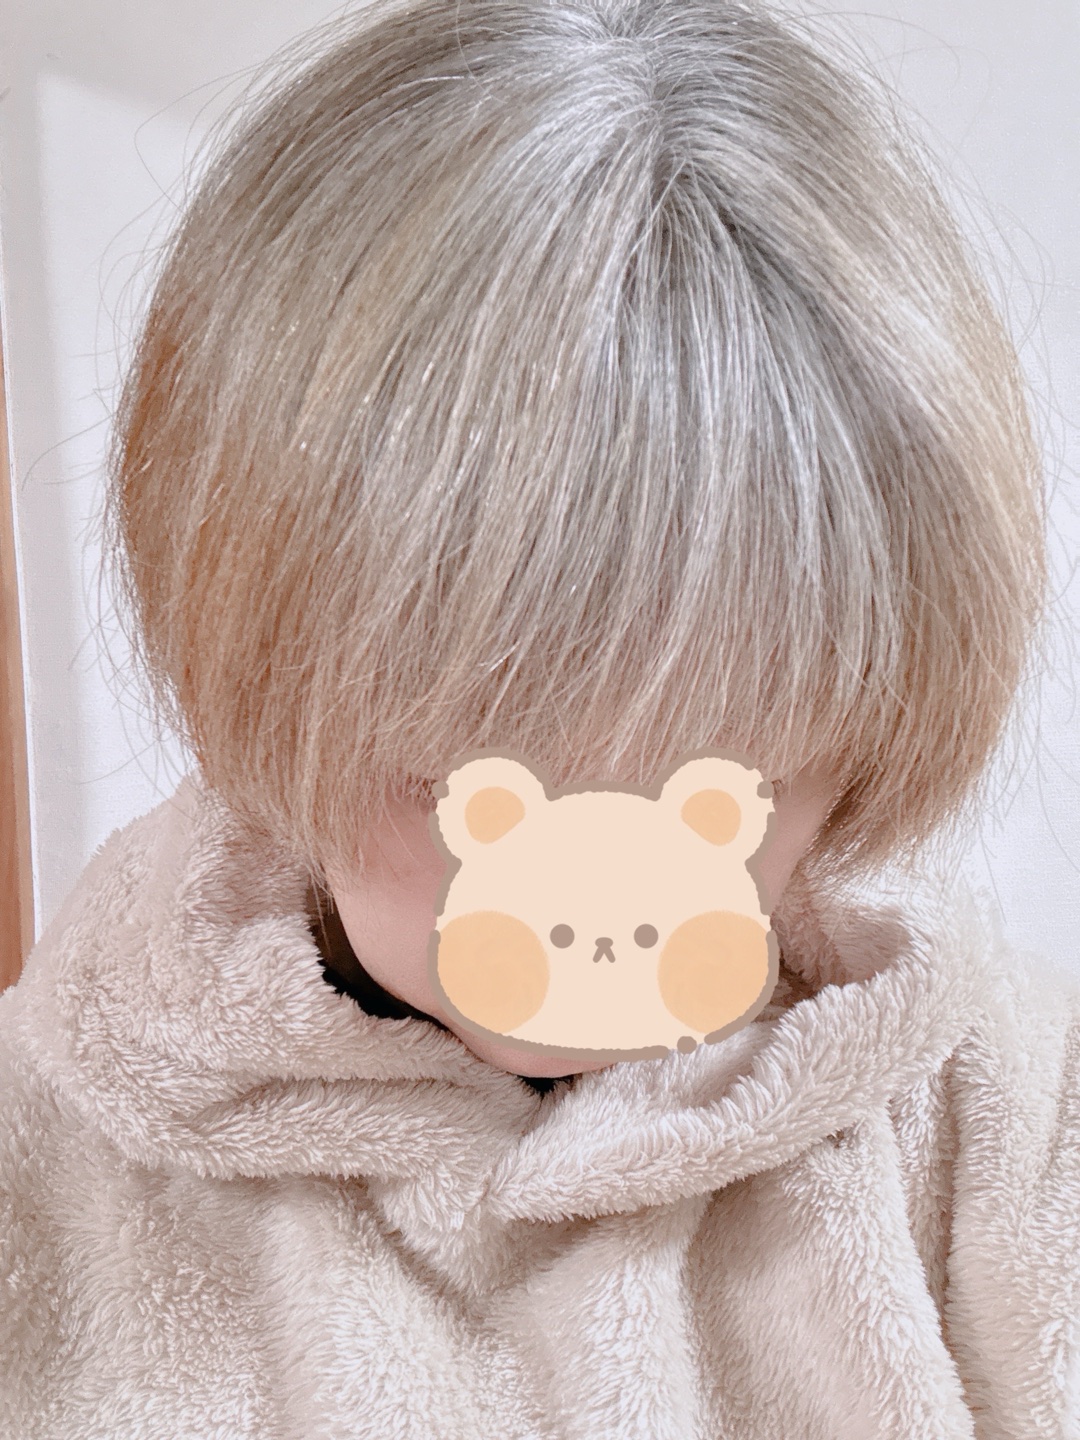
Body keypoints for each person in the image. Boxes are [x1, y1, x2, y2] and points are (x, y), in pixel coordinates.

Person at [1, 0, 1077, 1434]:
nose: (597, 904)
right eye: (458, 778)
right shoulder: (48, 1160)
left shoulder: (1009, 1122)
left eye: (726, 789)